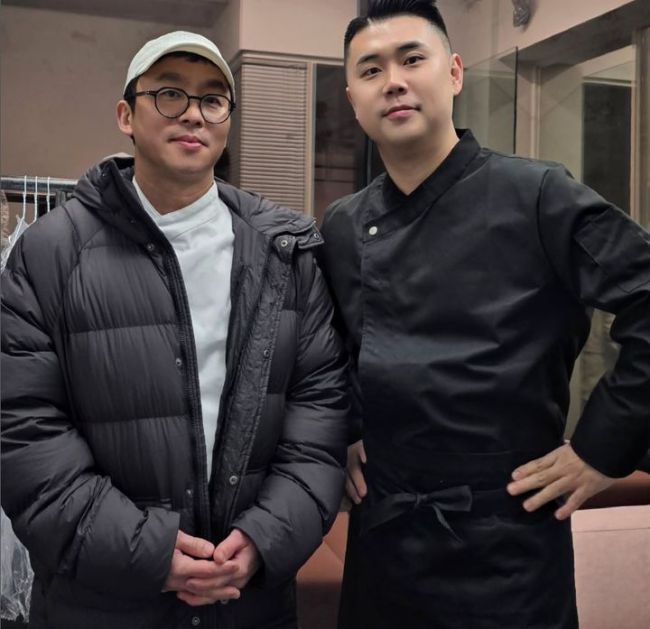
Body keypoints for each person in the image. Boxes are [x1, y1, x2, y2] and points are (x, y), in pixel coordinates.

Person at [318, 1, 650, 628]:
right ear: (353, 99)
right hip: (384, 533)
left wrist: (601, 447)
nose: (394, 81)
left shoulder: (538, 195)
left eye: (412, 59)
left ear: (454, 73)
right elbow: (329, 348)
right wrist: (348, 429)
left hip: (508, 537)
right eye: (371, 69)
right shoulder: (341, 224)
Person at [1, 31, 348, 629]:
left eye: (212, 99)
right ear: (125, 116)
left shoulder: (283, 252)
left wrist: (265, 537)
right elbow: (23, 429)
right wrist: (147, 552)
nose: (193, 113)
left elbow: (319, 412)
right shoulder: (50, 252)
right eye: (169, 94)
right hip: (102, 600)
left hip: (248, 599)